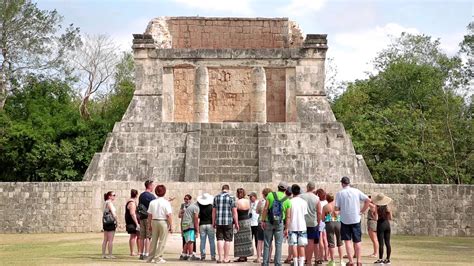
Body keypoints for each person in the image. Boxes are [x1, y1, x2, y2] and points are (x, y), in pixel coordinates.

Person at [335, 176, 370, 266]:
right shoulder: (356, 191)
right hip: (356, 218)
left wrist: (340, 210)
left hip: (345, 219)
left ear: (342, 183)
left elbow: (336, 208)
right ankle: (359, 261)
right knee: (357, 241)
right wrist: (362, 211)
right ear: (349, 183)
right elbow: (368, 200)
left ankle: (351, 261)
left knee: (347, 241)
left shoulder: (340, 193)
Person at [260, 181, 292, 266]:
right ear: (285, 189)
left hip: (269, 222)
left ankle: (265, 263)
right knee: (278, 244)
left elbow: (266, 208)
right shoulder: (287, 200)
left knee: (267, 243)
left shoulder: (270, 195)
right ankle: (277, 263)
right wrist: (287, 228)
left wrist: (262, 220)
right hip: (279, 223)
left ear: (278, 187)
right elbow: (288, 216)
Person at [146, 185, 173, 264]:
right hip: (163, 221)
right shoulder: (166, 202)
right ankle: (158, 257)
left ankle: (150, 258)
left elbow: (149, 215)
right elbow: (168, 215)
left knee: (153, 240)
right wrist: (171, 225)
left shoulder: (152, 202)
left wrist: (149, 225)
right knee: (162, 240)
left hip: (154, 221)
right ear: (164, 192)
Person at [212, 184, 239, 263]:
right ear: (228, 189)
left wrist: (213, 222)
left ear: (222, 189)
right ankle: (226, 258)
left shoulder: (216, 197)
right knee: (227, 239)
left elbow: (213, 212)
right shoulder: (231, 198)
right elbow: (234, 212)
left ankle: (220, 258)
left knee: (219, 239)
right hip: (228, 221)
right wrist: (236, 223)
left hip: (219, 222)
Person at [299, 181, 322, 265]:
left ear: (307, 187)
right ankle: (309, 260)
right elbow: (319, 212)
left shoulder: (301, 196)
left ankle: (303, 258)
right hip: (313, 222)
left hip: (302, 222)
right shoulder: (316, 198)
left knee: (302, 242)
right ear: (314, 188)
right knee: (311, 242)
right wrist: (318, 222)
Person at [288, 184, 308, 266]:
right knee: (301, 245)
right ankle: (301, 263)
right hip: (302, 225)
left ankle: (295, 263)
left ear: (292, 192)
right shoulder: (304, 202)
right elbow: (304, 214)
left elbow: (288, 216)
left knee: (294, 245)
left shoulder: (290, 202)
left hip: (292, 226)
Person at [372, 193, 393, 265]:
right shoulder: (387, 207)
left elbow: (376, 218)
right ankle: (388, 259)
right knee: (388, 242)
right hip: (387, 224)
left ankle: (380, 259)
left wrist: (374, 214)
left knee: (381, 243)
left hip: (380, 225)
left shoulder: (377, 207)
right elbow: (390, 218)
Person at [323, 193, 343, 266]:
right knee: (340, 242)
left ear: (327, 198)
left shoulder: (325, 207)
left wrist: (327, 217)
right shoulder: (337, 206)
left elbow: (322, 219)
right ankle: (341, 260)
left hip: (329, 223)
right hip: (338, 222)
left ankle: (332, 261)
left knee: (331, 243)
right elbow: (341, 213)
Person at [234, 188, 254, 262]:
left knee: (240, 240)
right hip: (247, 220)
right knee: (247, 239)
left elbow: (235, 213)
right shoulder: (248, 201)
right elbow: (249, 211)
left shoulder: (237, 202)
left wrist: (235, 223)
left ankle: (241, 257)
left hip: (240, 221)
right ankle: (246, 255)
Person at [138, 180, 156, 260]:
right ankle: (146, 253)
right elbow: (155, 205)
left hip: (142, 217)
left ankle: (141, 253)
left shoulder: (141, 195)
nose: (153, 187)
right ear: (150, 186)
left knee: (142, 236)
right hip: (148, 217)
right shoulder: (151, 196)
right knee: (148, 236)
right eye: (152, 185)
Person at [255, 188, 273, 263]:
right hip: (269, 222)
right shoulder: (272, 201)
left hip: (260, 222)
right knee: (270, 241)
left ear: (263, 194)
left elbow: (257, 211)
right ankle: (269, 257)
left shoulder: (261, 202)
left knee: (260, 241)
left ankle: (259, 257)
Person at [197, 193, 216, 261]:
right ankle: (213, 256)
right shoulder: (211, 206)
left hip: (202, 224)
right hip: (210, 224)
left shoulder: (199, 207)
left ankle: (203, 256)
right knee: (212, 241)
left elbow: (198, 216)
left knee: (202, 241)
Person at [181, 197, 200, 261]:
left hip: (184, 224)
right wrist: (197, 230)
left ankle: (183, 254)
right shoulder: (196, 208)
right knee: (191, 240)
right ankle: (191, 255)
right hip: (189, 225)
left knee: (187, 240)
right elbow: (196, 219)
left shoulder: (191, 206)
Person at [179, 194, 196, 260]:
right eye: (185, 198)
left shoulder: (192, 206)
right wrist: (183, 212)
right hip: (184, 224)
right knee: (186, 239)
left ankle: (190, 253)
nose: (185, 200)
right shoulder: (182, 205)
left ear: (190, 199)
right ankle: (185, 253)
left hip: (190, 224)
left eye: (187, 199)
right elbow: (179, 215)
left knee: (190, 239)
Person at [102, 191, 117, 259]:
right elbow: (113, 213)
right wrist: (116, 221)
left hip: (106, 222)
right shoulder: (109, 203)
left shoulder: (106, 203)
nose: (114, 196)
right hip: (110, 222)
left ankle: (103, 254)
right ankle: (110, 254)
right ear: (109, 196)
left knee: (105, 239)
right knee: (110, 240)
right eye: (113, 195)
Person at [125, 189, 140, 256]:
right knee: (134, 236)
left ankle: (139, 251)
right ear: (136, 195)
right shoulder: (132, 203)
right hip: (133, 222)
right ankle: (132, 251)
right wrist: (137, 223)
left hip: (132, 221)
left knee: (137, 236)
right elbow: (132, 213)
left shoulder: (130, 201)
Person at [316, 188, 329, 263]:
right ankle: (326, 256)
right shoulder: (326, 202)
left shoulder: (318, 202)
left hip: (320, 220)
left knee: (320, 239)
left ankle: (321, 255)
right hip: (326, 221)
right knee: (325, 239)